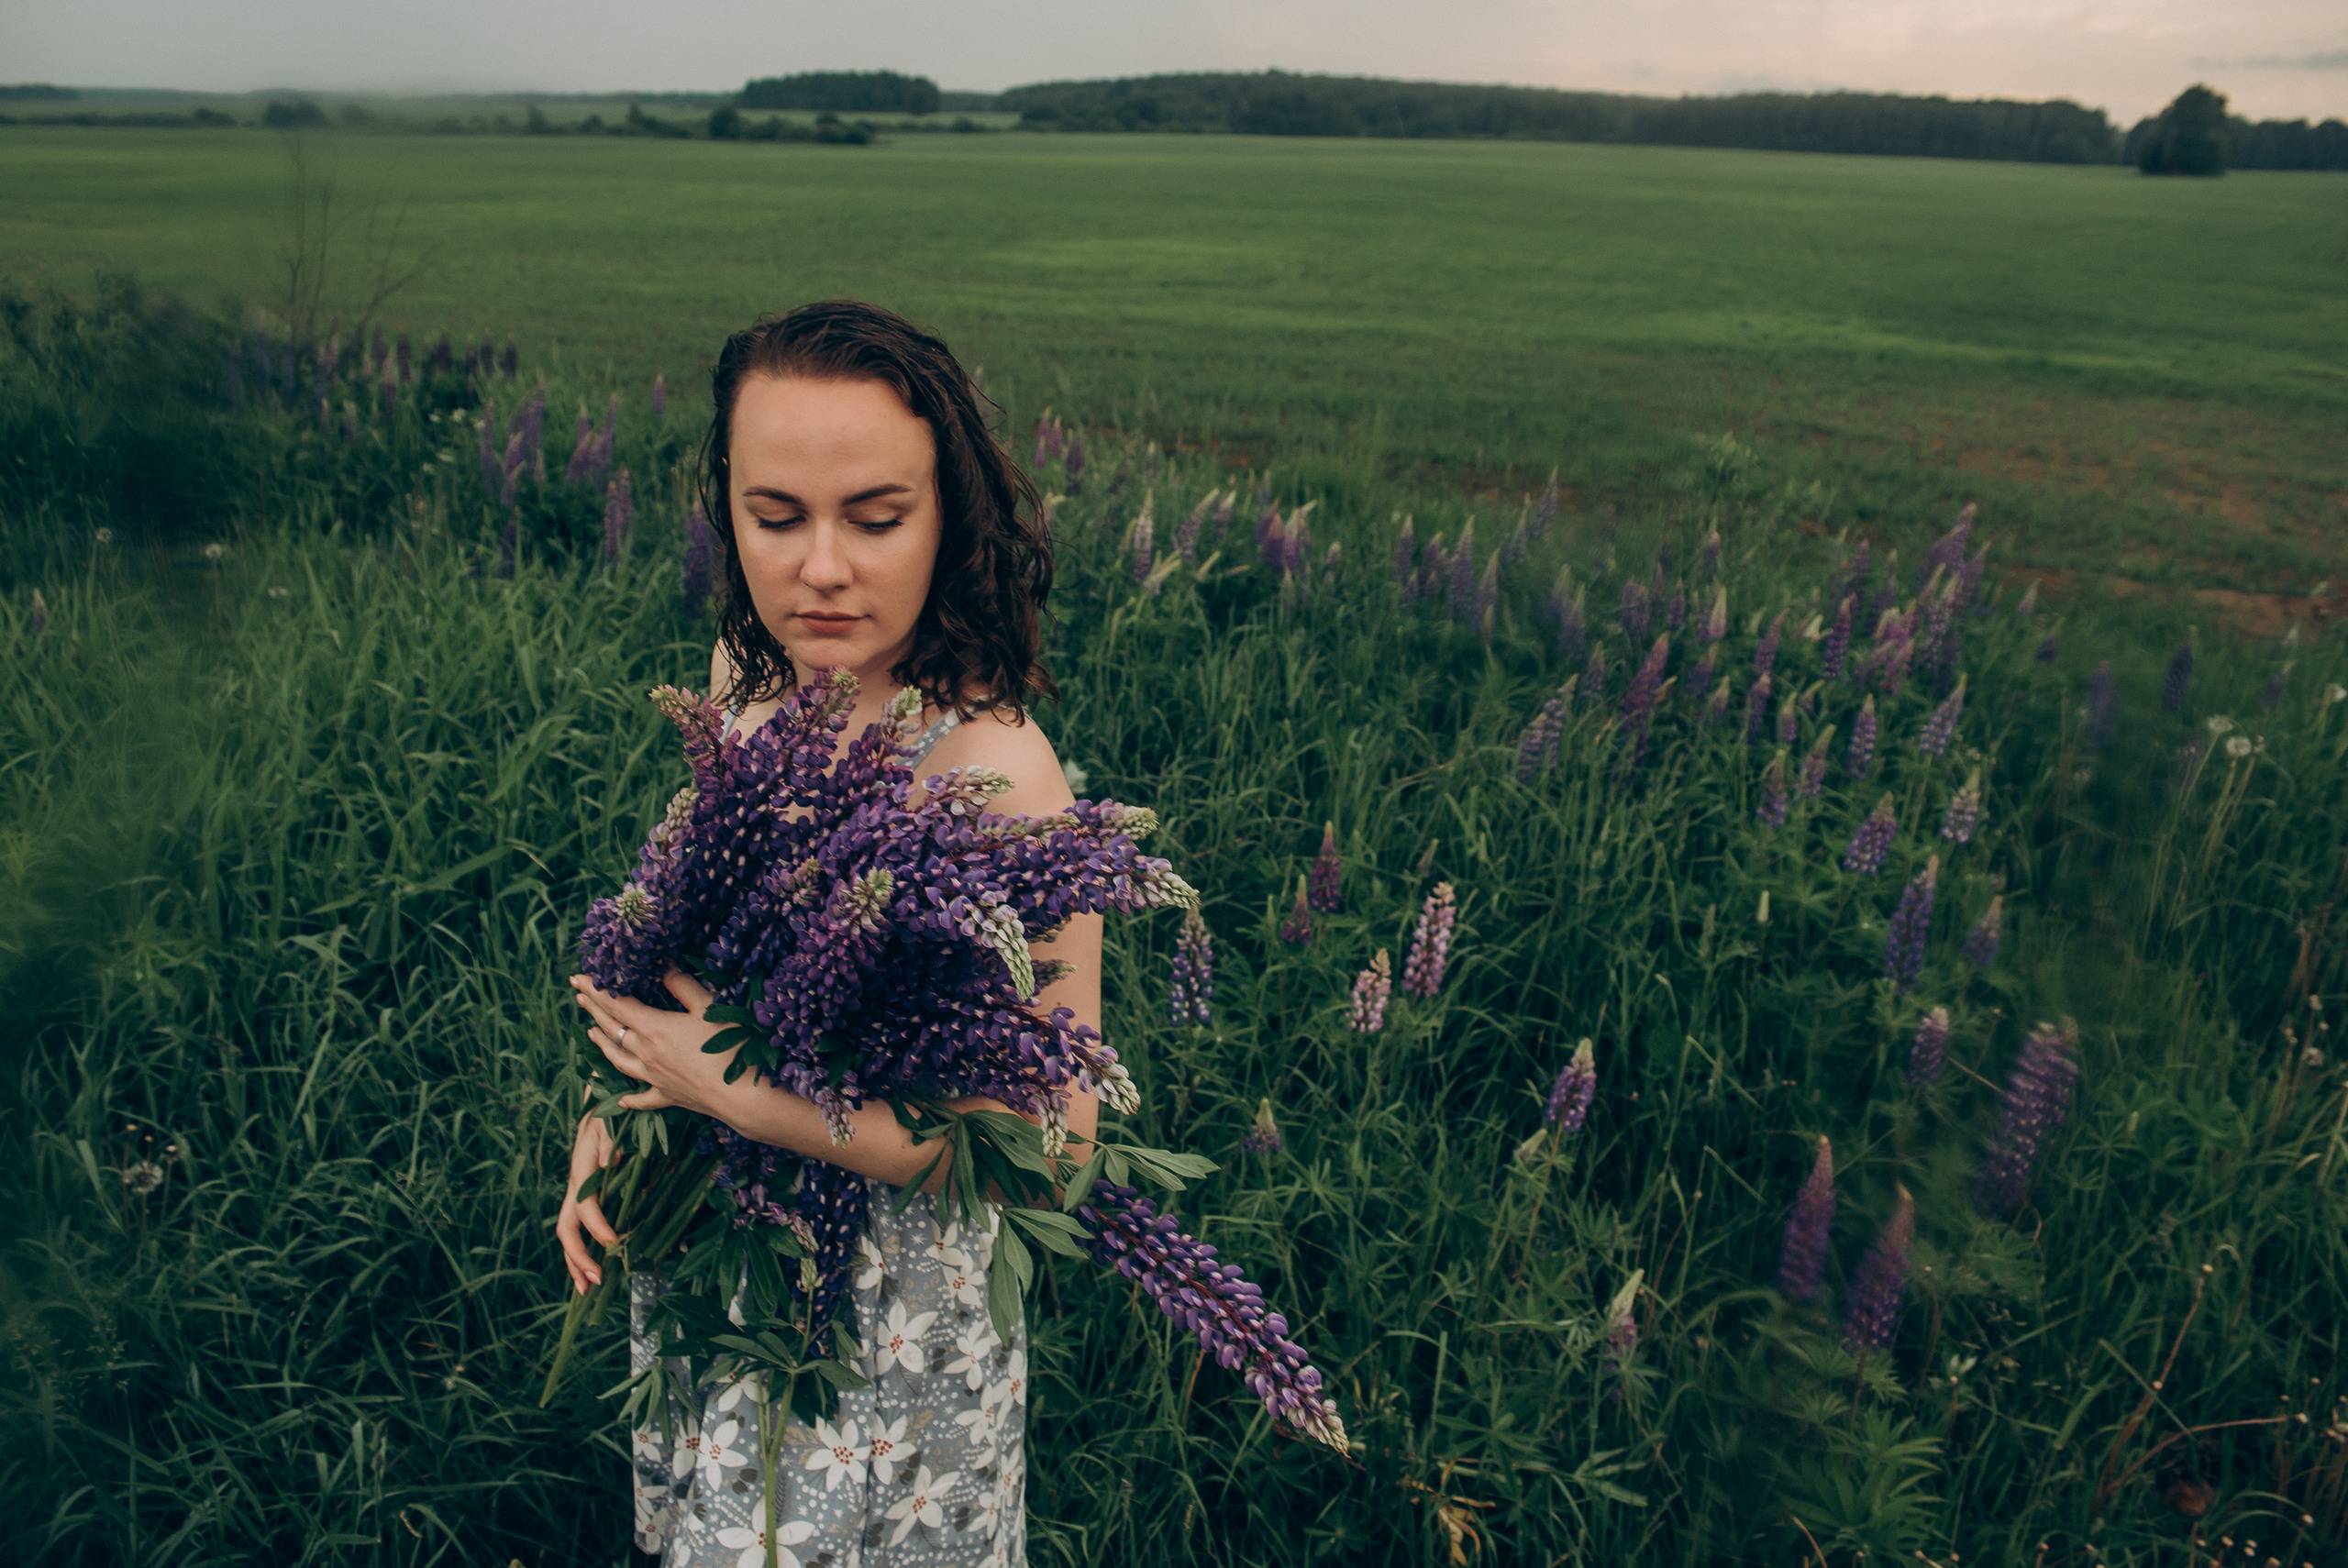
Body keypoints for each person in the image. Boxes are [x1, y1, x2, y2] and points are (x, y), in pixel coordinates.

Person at [557, 300, 1095, 1566]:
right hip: (718, 1257)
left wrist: (741, 1098)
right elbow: (696, 954)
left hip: (885, 1327)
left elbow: (1056, 1151)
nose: (822, 568)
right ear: (728, 508)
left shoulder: (1002, 774)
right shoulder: (742, 692)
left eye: (876, 515)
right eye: (776, 515)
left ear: (948, 516)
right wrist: (623, 1105)